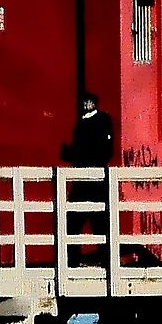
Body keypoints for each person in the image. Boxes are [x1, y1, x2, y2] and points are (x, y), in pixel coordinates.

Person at [60, 94, 114, 266]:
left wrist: (71, 154)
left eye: (87, 101)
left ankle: (77, 261)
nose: (85, 104)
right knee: (83, 222)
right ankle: (77, 261)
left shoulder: (97, 121)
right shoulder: (87, 123)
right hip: (88, 181)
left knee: (84, 222)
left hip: (90, 181)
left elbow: (101, 151)